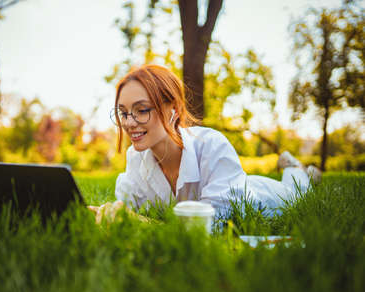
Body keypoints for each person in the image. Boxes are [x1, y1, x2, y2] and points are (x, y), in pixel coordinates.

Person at [90, 64, 321, 220]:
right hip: (231, 183)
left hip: (265, 197)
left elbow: (211, 227)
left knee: (296, 193)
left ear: (175, 109)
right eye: (123, 112)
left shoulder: (212, 146)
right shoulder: (136, 156)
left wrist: (132, 220)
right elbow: (128, 208)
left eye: (141, 110)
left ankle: (296, 169)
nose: (129, 123)